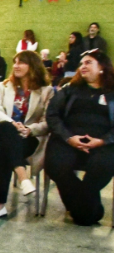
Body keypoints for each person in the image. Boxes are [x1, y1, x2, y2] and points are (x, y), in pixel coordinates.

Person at [0, 51, 53, 220]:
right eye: (15, 62)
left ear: (33, 66)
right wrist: (12, 124)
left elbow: (48, 122)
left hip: (28, 136)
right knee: (7, 130)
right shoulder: (3, 86)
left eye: (21, 62)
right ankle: (23, 176)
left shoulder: (46, 91)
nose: (16, 65)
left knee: (2, 149)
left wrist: (30, 129)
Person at [44, 49, 114, 226]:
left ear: (102, 68)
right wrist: (68, 138)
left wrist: (103, 141)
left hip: (102, 143)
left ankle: (82, 209)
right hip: (69, 139)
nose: (82, 66)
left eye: (88, 63)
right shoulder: (70, 90)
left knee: (103, 165)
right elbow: (52, 115)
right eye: (81, 63)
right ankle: (90, 209)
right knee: (56, 164)